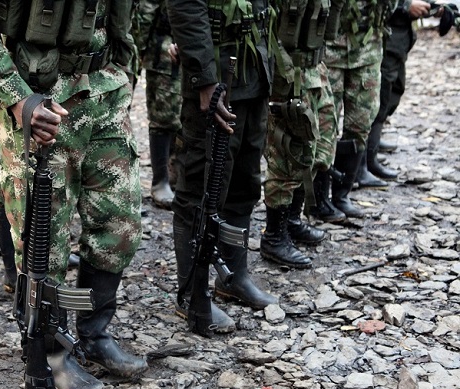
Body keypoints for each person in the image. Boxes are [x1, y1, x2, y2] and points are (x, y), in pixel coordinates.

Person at [0, 0, 148, 389]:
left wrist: (124, 70)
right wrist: (18, 98)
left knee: (120, 224)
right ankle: (51, 352)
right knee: (44, 236)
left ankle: (94, 334)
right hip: (39, 97)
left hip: (104, 89)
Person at [167, 0, 278, 321]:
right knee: (200, 188)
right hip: (216, 79)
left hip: (254, 75)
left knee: (245, 183)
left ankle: (233, 276)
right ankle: (191, 291)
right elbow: (184, 8)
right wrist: (203, 79)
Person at [261, 0, 341, 267]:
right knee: (289, 154)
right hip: (288, 72)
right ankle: (274, 236)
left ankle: (293, 220)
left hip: (315, 69)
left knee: (321, 148)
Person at [320, 0, 400, 211]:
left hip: (367, 50)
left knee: (360, 124)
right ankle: (318, 201)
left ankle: (342, 195)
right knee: (322, 127)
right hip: (328, 50)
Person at [365, 0, 433, 179]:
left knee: (393, 92)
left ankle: (372, 144)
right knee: (379, 98)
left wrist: (433, 8)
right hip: (382, 34)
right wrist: (405, 5)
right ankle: (365, 162)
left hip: (398, 34)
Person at [135, 0, 180, 209]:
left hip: (195, 48)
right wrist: (137, 51)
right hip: (163, 51)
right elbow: (146, 10)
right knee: (163, 117)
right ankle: (159, 180)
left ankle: (175, 175)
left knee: (185, 117)